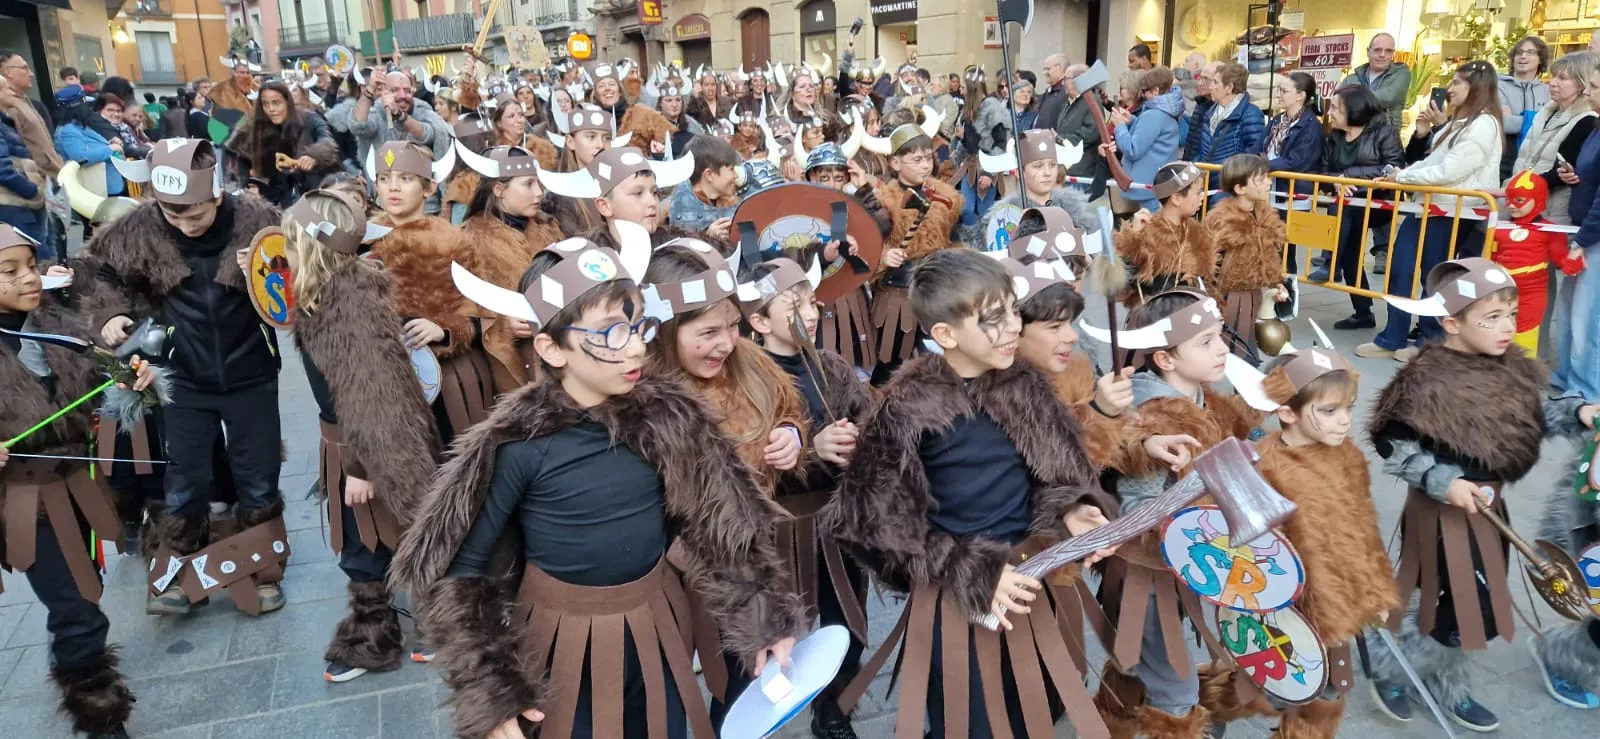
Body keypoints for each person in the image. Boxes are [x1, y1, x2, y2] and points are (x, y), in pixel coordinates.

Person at [389, 221, 804, 739]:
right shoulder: (519, 445)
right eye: (610, 332)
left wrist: (763, 614)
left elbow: (723, 524)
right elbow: (462, 568)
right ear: (552, 349)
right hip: (561, 646)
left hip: (659, 629)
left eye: (635, 326)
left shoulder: (668, 417)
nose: (633, 349)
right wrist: (488, 688)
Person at [827, 247, 1119, 739]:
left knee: (1035, 708)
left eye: (1011, 310)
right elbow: (873, 522)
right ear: (945, 334)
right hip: (958, 598)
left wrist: (1075, 510)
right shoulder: (907, 409)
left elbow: (1062, 471)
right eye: (992, 318)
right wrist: (970, 568)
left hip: (1032, 583)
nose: (1011, 327)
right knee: (970, 722)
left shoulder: (1026, 385)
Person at [1366, 257, 1600, 731]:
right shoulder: (1424, 380)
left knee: (1465, 602)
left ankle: (1416, 667)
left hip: (1492, 505)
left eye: (1510, 314)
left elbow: (1539, 412)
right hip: (1442, 511)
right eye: (1491, 318)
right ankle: (1409, 672)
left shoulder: (1512, 367)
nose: (1507, 327)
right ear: (1452, 323)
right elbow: (1392, 442)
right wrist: (1444, 481)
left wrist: (1577, 412)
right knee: (1462, 604)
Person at [83, 140, 287, 617]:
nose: (183, 224)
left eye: (193, 214)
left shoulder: (259, 220)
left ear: (217, 193)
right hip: (182, 377)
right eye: (171, 215)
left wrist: (270, 270)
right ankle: (174, 570)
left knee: (257, 476)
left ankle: (262, 568)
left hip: (252, 372)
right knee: (184, 477)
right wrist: (111, 313)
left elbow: (301, 277)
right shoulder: (141, 227)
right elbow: (97, 274)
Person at [279, 189, 441, 682]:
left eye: (289, 241)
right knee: (373, 538)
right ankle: (395, 626)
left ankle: (398, 631)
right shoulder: (325, 293)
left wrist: (358, 468)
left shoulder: (346, 305)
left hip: (368, 446)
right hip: (349, 439)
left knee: (370, 540)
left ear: (311, 247)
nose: (281, 250)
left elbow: (371, 395)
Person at [1199, 346, 1399, 738]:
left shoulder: (1348, 455)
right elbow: (1234, 550)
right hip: (1281, 611)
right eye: (1329, 411)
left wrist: (1371, 593)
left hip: (1339, 604)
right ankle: (1200, 709)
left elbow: (1361, 532)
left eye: (1349, 407)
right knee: (1260, 688)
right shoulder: (1260, 465)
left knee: (1326, 695)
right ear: (1287, 413)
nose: (1345, 420)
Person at [1088, 290, 1262, 739]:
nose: (1223, 347)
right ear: (1165, 359)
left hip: (1183, 566)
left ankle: (1109, 724)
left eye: (1220, 336)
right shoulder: (1154, 415)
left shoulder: (1204, 400)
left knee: (1141, 659)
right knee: (1175, 685)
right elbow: (1139, 507)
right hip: (1147, 572)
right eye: (1205, 341)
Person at [0, 224, 147, 739]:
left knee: (85, 591)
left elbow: (114, 387)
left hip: (81, 489)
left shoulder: (61, 324)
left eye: (31, 266)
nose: (29, 279)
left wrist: (136, 381)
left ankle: (72, 658)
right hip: (26, 501)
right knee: (77, 609)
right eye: (10, 271)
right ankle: (99, 716)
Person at [1356, 60, 1501, 362]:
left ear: (1476, 87)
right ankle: (1392, 336)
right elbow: (1432, 163)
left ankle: (1430, 340)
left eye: (1458, 83)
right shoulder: (1455, 123)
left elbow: (1451, 170)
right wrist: (1402, 173)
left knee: (1433, 277)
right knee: (1400, 267)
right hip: (1426, 206)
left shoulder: (1484, 124)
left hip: (1453, 211)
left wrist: (1404, 177)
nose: (1450, 88)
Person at [365, 141, 491, 442]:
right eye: (384, 179)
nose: (392, 188)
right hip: (379, 383)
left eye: (405, 179)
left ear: (429, 189)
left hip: (446, 383)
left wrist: (444, 328)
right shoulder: (360, 239)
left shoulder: (453, 241)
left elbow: (481, 312)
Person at [454, 144, 565, 393]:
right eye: (528, 184)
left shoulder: (550, 228)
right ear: (499, 189)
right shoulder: (468, 239)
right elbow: (459, 307)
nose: (539, 192)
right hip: (514, 363)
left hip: (560, 351)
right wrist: (503, 324)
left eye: (538, 183)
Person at [869, 122, 962, 386]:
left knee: (939, 365)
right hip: (897, 296)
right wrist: (884, 256)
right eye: (917, 160)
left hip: (936, 292)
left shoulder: (944, 197)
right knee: (890, 366)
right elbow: (868, 247)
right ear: (896, 163)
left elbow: (953, 239)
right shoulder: (885, 201)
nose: (925, 165)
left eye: (928, 158)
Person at [1519, 51, 1598, 360]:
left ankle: (1536, 355)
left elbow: (1566, 171)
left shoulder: (1586, 121)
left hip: (1555, 211)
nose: (1553, 83)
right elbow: (1529, 158)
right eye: (1553, 76)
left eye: (1563, 78)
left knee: (1545, 285)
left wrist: (1524, 189)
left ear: (1580, 85)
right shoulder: (1546, 111)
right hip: (1528, 205)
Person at [804, 142, 892, 373]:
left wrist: (863, 189)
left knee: (860, 366)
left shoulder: (854, 203)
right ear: (812, 177)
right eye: (824, 177)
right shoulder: (800, 210)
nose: (832, 184)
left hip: (851, 291)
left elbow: (882, 227)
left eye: (838, 177)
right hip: (817, 295)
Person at [1321, 85, 1405, 330]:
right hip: (1348, 204)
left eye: (1336, 108)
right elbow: (1324, 171)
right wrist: (1336, 183)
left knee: (1344, 225)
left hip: (1378, 201)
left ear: (1354, 109)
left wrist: (1348, 177)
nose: (1330, 113)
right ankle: (1363, 311)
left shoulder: (1383, 132)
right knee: (1350, 255)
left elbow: (1393, 167)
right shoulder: (1334, 136)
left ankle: (1329, 261)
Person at [327, 70, 451, 211]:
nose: (402, 96)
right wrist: (370, 89)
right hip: (386, 205)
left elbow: (426, 134)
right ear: (384, 92)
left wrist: (399, 115)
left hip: (425, 206)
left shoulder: (424, 113)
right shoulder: (377, 115)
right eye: (395, 90)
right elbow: (358, 125)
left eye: (407, 91)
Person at [1204, 154, 1287, 357]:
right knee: (1237, 353)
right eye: (1260, 180)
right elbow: (1206, 263)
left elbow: (1269, 255)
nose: (1268, 182)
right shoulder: (1221, 220)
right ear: (1240, 188)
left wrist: (1275, 283)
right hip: (1230, 298)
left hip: (1254, 295)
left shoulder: (1264, 214)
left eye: (1267, 177)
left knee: (1244, 354)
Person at [1495, 171, 1585, 357]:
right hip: (1501, 290)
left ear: (1537, 199)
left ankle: (1524, 379)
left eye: (1519, 200)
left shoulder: (1550, 230)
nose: (1511, 205)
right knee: (1497, 334)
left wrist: (1572, 263)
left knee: (1525, 338)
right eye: (1509, 199)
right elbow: (1490, 256)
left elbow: (1561, 259)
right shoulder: (1500, 227)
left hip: (1532, 291)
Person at [224, 81, 338, 207]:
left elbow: (327, 141)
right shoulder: (255, 129)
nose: (271, 109)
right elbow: (241, 164)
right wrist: (252, 186)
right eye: (265, 104)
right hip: (279, 200)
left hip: (317, 192)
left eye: (276, 103)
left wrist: (313, 156)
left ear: (287, 102)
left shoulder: (309, 118)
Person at [1116, 162, 1215, 305]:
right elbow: (1118, 288)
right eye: (1198, 192)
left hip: (1191, 316)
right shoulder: (1147, 232)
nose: (1202, 197)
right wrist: (1132, 241)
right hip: (1154, 315)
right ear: (1176, 199)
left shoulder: (1198, 233)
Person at [1106, 67, 1185, 212]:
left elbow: (1132, 150)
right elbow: (1155, 136)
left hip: (1148, 184)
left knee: (1154, 227)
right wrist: (1132, 121)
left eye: (1145, 91)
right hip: (1157, 181)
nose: (1143, 95)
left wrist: (1120, 127)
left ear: (1155, 91)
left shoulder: (1154, 114)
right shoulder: (1166, 110)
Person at [1186, 61, 1265, 194]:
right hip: (1204, 185)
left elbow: (1252, 155)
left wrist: (1234, 179)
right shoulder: (1209, 111)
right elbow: (1200, 150)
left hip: (1229, 188)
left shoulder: (1251, 114)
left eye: (1215, 82)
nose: (1211, 87)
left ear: (1229, 87)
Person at [666, 133, 740, 236]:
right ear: (709, 175)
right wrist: (710, 240)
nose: (735, 175)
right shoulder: (678, 211)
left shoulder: (733, 200)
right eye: (731, 169)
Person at [1500, 36, 1552, 181]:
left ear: (1540, 59)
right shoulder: (1498, 86)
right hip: (1504, 157)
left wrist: (1517, 119)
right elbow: (1503, 124)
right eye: (1519, 52)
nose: (1523, 56)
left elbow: (1552, 125)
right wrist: (1540, 119)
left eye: (1530, 52)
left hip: (1534, 160)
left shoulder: (1547, 91)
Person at [1264, 72, 1323, 196]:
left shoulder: (1311, 126)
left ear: (1300, 95)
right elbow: (1259, 145)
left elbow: (1297, 161)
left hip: (1293, 193)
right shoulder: (1277, 120)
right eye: (1279, 90)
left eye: (1284, 91)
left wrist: (1262, 165)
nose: (1279, 95)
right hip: (1269, 187)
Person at [1341, 33, 1412, 129]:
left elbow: (1389, 97)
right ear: (1368, 51)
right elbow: (1339, 104)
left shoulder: (1401, 74)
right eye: (1377, 50)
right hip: (1354, 137)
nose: (1382, 55)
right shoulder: (1351, 79)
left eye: (1388, 51)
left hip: (1385, 139)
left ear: (1392, 54)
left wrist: (1353, 98)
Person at [1059, 63, 1109, 199]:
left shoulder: (1092, 102)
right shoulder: (1069, 102)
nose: (1063, 83)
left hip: (1081, 170)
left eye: (1066, 79)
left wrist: (1062, 140)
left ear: (1078, 79)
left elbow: (1091, 133)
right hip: (1068, 167)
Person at [0, 107, 44, 243]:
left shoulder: (5, 119)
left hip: (19, 199)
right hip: (15, 201)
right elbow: (3, 169)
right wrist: (31, 190)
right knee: (34, 251)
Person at [1035, 54, 1070, 135]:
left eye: (1048, 69)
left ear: (1060, 69)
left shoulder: (1066, 92)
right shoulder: (1049, 92)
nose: (1045, 73)